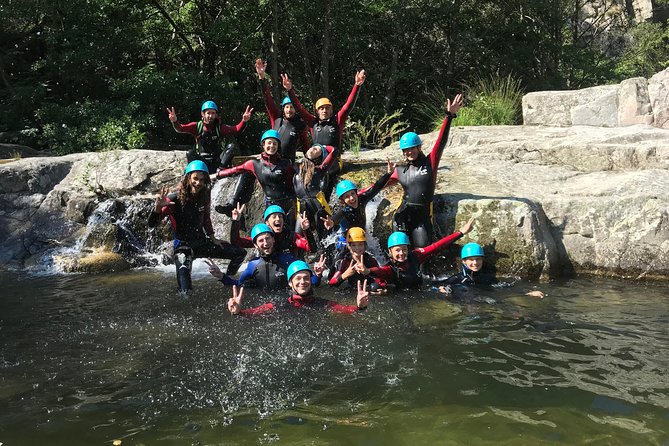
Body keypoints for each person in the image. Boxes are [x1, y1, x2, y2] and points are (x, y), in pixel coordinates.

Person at [378, 94, 463, 249]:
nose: (408, 152)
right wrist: (356, 193)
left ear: (418, 147)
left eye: (411, 148)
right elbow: (378, 187)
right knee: (399, 252)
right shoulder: (400, 170)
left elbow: (441, 142)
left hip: (422, 218)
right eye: (405, 150)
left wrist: (449, 116)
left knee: (423, 253)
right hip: (402, 216)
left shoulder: (430, 162)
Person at [148, 160, 247, 292]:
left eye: (202, 179)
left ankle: (229, 282)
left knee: (240, 253)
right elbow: (152, 224)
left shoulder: (205, 194)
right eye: (195, 178)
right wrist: (157, 209)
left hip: (201, 243)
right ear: (188, 178)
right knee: (185, 291)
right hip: (183, 247)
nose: (198, 183)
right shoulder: (174, 199)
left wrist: (213, 238)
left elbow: (206, 218)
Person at [281, 69, 366, 198]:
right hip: (319, 164)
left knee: (312, 151)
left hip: (334, 159)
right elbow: (299, 108)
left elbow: (348, 106)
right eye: (321, 108)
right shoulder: (313, 122)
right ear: (317, 111)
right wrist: (290, 90)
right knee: (319, 186)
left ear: (331, 109)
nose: (324, 110)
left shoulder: (337, 121)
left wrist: (357, 85)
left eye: (327, 108)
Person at [210, 129, 297, 228]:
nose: (272, 146)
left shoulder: (285, 164)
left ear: (278, 146)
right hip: (271, 205)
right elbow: (234, 170)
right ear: (263, 145)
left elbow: (294, 183)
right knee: (270, 234)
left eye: (275, 144)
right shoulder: (254, 164)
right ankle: (232, 204)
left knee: (289, 235)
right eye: (269, 143)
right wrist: (215, 175)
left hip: (288, 204)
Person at [368, 217, 475, 290]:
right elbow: (380, 271)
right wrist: (367, 271)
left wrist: (460, 233)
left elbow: (437, 246)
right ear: (390, 251)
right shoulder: (390, 269)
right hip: (401, 299)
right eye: (397, 250)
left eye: (404, 249)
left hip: (420, 292)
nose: (401, 253)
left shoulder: (416, 256)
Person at [227, 260, 369, 315]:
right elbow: (254, 312)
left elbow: (346, 310)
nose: (303, 282)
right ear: (290, 283)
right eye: (298, 278)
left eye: (306, 278)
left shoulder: (321, 303)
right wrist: (239, 312)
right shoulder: (279, 305)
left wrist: (360, 307)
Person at [204, 223, 299, 291]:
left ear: (273, 239)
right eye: (261, 240)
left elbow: (309, 279)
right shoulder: (253, 265)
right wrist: (221, 276)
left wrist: (314, 274)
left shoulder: (288, 260)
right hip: (265, 308)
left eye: (268, 238)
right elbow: (238, 284)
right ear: (256, 245)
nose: (265, 243)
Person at [166, 101, 253, 173]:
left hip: (218, 160)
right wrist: (175, 121)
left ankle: (221, 170)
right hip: (202, 161)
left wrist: (244, 121)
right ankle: (191, 173)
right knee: (190, 153)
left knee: (232, 146)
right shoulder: (196, 126)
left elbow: (236, 130)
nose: (210, 116)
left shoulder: (220, 127)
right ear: (203, 114)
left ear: (216, 115)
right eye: (208, 113)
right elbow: (180, 129)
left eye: (213, 113)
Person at [321, 164, 392, 249]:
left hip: (361, 237)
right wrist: (331, 222)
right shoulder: (344, 211)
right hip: (347, 240)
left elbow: (376, 187)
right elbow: (337, 217)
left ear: (356, 193)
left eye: (352, 194)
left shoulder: (362, 199)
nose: (351, 198)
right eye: (346, 196)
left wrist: (388, 173)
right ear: (342, 200)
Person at [438, 243, 545, 298]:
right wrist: (441, 289)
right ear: (464, 261)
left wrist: (527, 293)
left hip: (485, 302)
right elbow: (434, 286)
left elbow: (506, 287)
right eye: (471, 260)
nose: (475, 263)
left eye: (478, 259)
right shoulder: (457, 278)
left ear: (482, 260)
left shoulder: (487, 278)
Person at [255, 59, 309, 163]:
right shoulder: (276, 117)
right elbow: (268, 100)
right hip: (271, 162)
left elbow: (305, 146)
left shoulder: (300, 125)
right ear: (283, 108)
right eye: (287, 107)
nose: (289, 110)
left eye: (292, 107)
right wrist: (262, 78)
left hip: (286, 165)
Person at [229, 204, 316, 258]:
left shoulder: (292, 237)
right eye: (274, 217)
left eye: (280, 216)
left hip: (291, 269)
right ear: (267, 222)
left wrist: (306, 230)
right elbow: (236, 242)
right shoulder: (263, 238)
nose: (278, 219)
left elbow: (312, 249)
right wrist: (236, 221)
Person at [293, 144, 337, 238]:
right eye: (313, 147)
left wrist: (324, 148)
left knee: (325, 238)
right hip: (302, 207)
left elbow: (334, 151)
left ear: (319, 159)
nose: (313, 148)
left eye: (317, 149)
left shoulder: (319, 171)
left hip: (319, 207)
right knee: (298, 237)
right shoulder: (296, 169)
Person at [328, 227, 386, 293]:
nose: (357, 248)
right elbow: (331, 283)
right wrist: (345, 275)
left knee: (374, 287)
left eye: (360, 244)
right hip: (351, 291)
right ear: (349, 247)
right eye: (354, 245)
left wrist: (368, 271)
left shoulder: (370, 259)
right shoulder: (344, 261)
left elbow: (381, 277)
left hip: (367, 290)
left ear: (364, 245)